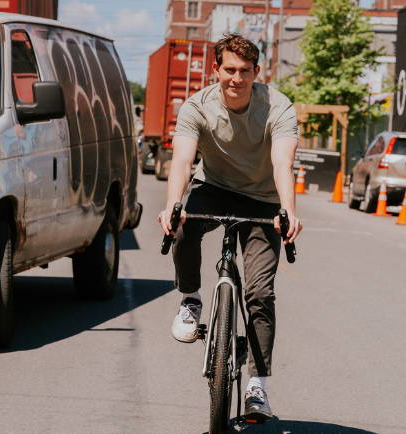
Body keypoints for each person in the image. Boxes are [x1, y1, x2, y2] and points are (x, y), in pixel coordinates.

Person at [156, 33, 302, 421]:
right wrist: (172, 203)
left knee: (259, 293)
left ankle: (258, 386)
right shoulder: (196, 107)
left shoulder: (278, 107)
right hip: (215, 188)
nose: (236, 78)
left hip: (264, 197)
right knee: (182, 223)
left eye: (245, 71)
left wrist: (288, 209)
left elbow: (282, 164)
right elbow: (184, 160)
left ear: (257, 72)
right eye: (229, 70)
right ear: (215, 70)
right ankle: (190, 298)